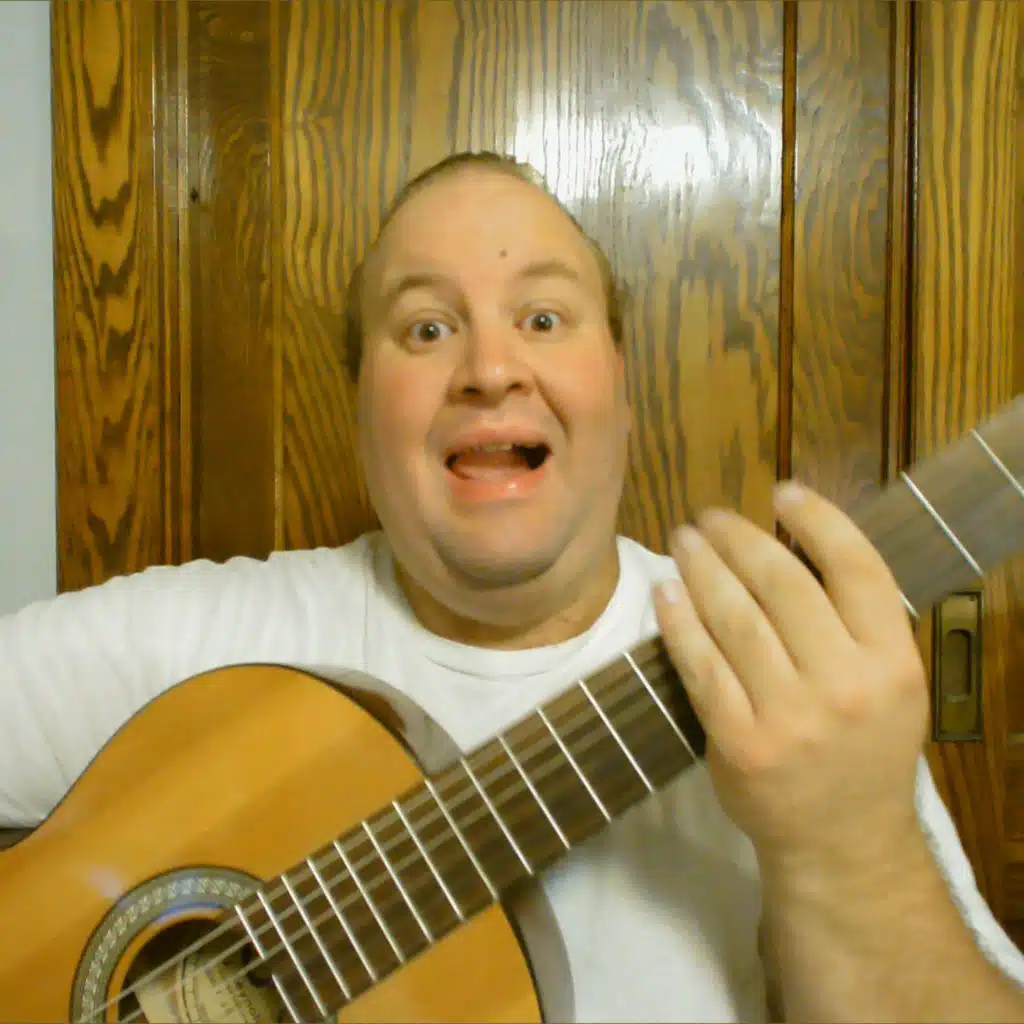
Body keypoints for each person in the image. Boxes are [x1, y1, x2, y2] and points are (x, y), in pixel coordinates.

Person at [2, 150, 1023, 1022]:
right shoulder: (196, 653)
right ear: (359, 413)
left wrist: (848, 844)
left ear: (622, 391)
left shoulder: (791, 677)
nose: (490, 369)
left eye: (542, 317)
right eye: (425, 329)